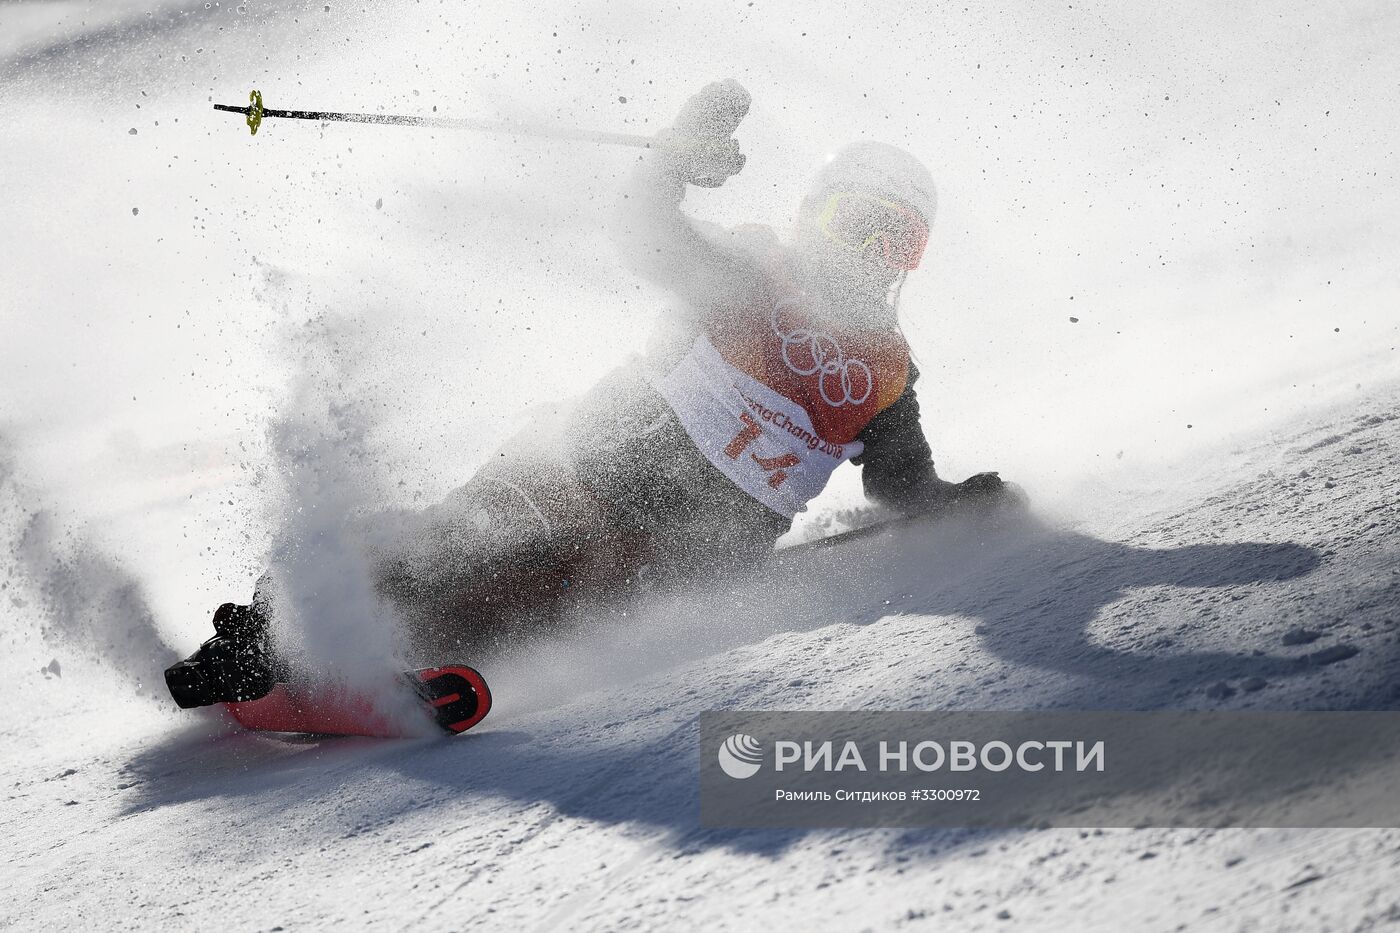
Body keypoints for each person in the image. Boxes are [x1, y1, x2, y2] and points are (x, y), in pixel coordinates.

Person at [164, 79, 1018, 708]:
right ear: (813, 215)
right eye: (854, 225)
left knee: (534, 604)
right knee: (467, 548)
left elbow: (899, 479)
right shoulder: (754, 269)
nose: (869, 253)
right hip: (588, 466)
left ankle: (379, 655)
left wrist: (948, 499)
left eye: (894, 239)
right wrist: (671, 158)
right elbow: (643, 235)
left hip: (679, 549)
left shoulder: (886, 372)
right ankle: (263, 635)